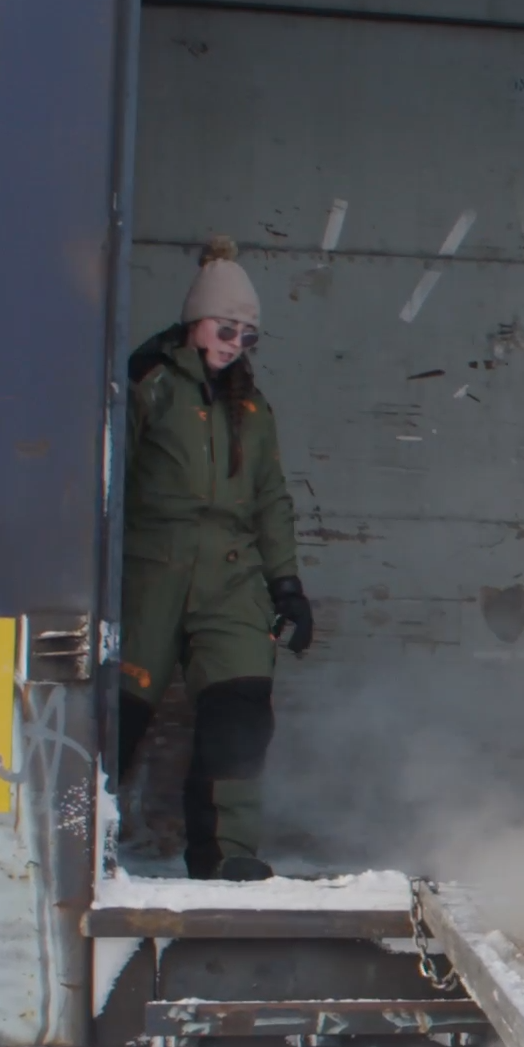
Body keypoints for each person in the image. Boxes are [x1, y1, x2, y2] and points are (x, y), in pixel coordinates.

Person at [117, 235, 312, 881]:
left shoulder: (252, 411)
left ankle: (227, 858)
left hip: (231, 575)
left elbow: (271, 500)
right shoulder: (153, 389)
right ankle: (77, 836)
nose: (234, 345)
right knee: (118, 707)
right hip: (153, 565)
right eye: (225, 329)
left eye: (247, 337)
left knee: (241, 704)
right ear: (195, 320)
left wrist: (285, 584)